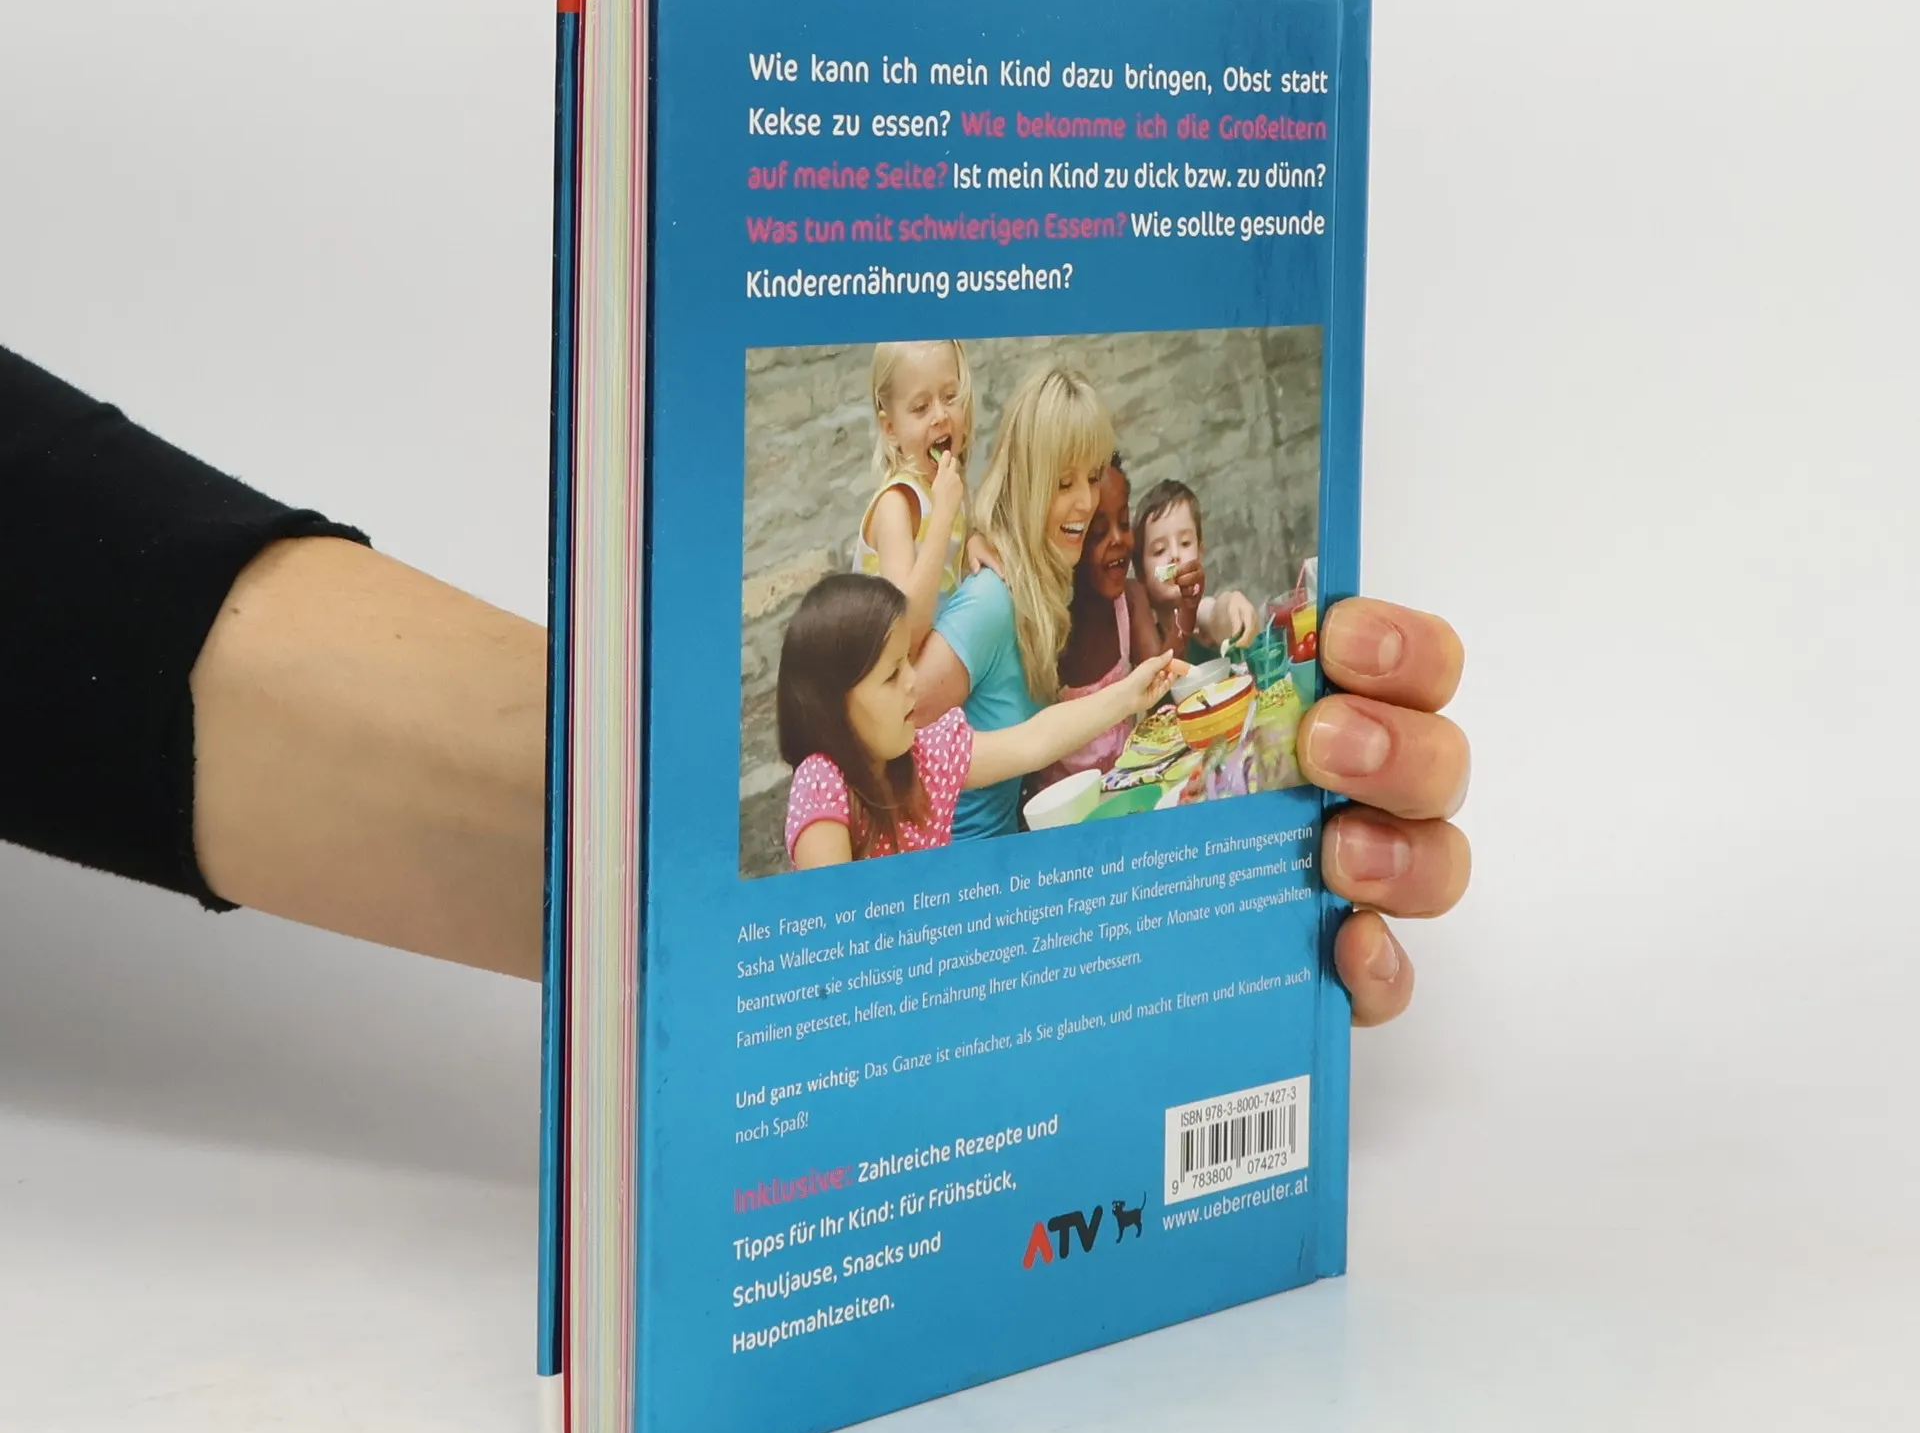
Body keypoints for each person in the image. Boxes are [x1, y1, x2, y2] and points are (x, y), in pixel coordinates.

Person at [0, 341, 1469, 1028]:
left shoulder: (971, 678)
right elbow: (830, 931)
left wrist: (1156, 736)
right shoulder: (906, 683)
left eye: (1109, 492)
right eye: (1075, 486)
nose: (1099, 514)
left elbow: (1036, 742)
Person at [778, 573, 1177, 867]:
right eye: (891, 675)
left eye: (907, 663)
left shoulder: (924, 755)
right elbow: (836, 930)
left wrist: (1129, 695)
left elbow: (1034, 740)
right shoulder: (821, 782)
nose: (912, 681)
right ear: (835, 704)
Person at [912, 364, 1114, 840]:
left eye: (1093, 477)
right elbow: (895, 739)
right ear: (1026, 484)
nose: (1087, 501)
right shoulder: (990, 602)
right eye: (1063, 483)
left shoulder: (1043, 582)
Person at [1031, 453, 1160, 792]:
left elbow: (1163, 685)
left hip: (1130, 793)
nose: (1117, 539)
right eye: (1098, 531)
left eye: (1124, 523)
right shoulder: (1045, 634)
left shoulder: (1130, 602)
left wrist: (1188, 615)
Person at [851, 339, 972, 650]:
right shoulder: (896, 504)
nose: (940, 415)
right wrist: (943, 516)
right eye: (921, 407)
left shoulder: (946, 486)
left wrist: (975, 542)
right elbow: (905, 633)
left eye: (950, 396)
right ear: (890, 428)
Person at [1133, 475, 1259, 660]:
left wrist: (1232, 604)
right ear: (1140, 572)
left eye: (1185, 543)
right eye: (1159, 550)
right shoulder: (1141, 639)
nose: (1174, 555)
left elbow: (1213, 615)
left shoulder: (1199, 618)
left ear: (1200, 554)